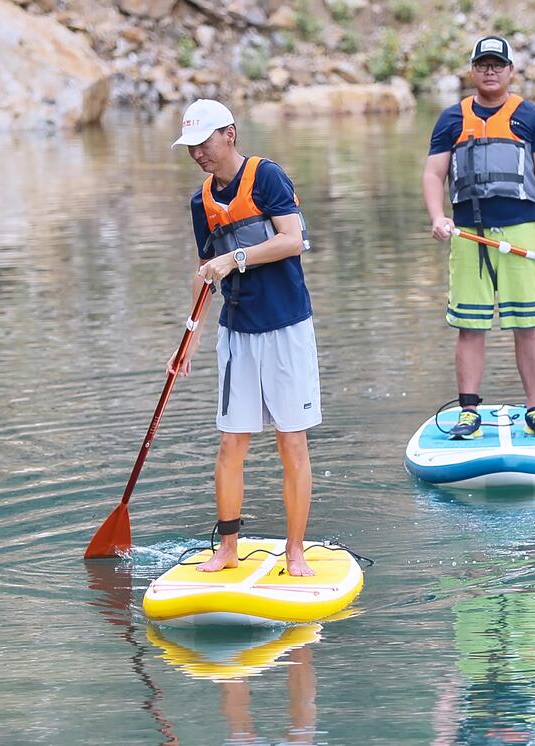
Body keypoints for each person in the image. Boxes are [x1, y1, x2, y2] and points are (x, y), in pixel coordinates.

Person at [172, 99, 321, 576]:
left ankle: (295, 550)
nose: (198, 153)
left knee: (290, 441)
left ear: (229, 135)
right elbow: (204, 272)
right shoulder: (202, 202)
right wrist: (187, 342)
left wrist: (234, 260)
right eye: (191, 147)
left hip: (286, 326)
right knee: (231, 443)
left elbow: (291, 240)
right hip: (237, 332)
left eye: (204, 143)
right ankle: (228, 547)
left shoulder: (268, 177)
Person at [422, 35, 535, 440]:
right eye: (483, 64)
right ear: (473, 70)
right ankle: (469, 411)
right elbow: (434, 175)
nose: (490, 71)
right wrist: (438, 217)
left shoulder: (532, 118)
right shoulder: (452, 120)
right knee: (470, 327)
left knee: (528, 324)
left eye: (497, 64)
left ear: (510, 71)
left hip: (522, 232)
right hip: (469, 235)